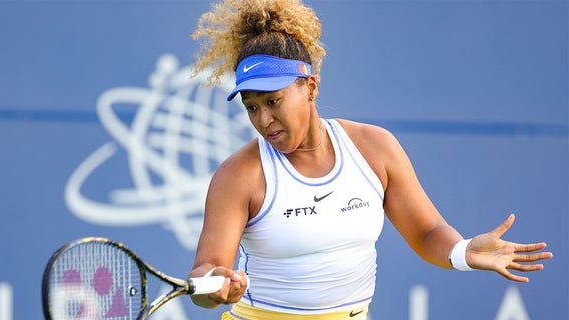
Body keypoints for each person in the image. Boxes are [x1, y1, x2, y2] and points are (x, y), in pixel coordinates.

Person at [187, 0, 553, 319]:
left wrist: (462, 251)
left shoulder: (374, 147)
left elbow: (426, 232)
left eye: (273, 101)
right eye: (251, 106)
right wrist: (216, 286)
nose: (263, 119)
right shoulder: (239, 175)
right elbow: (207, 268)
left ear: (310, 87)